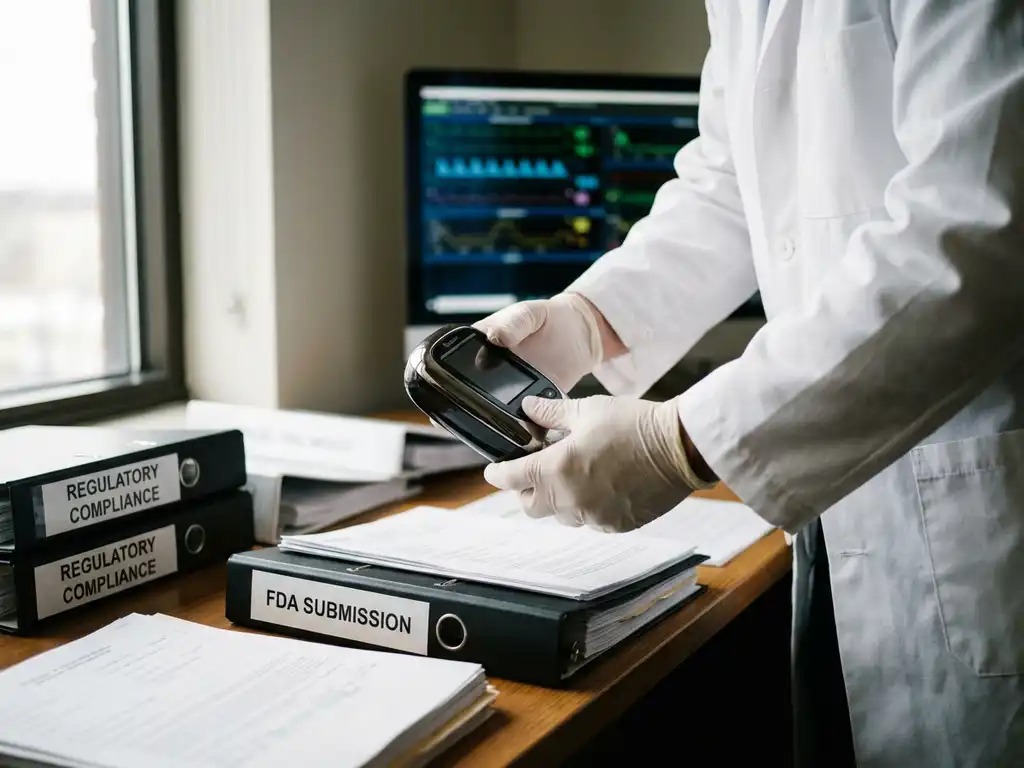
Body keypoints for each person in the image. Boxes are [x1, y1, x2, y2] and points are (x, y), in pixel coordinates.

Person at [474, 1, 1024, 765]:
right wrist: (589, 320)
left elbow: (979, 225)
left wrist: (682, 443)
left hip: (976, 502)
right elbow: (729, 181)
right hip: (844, 507)